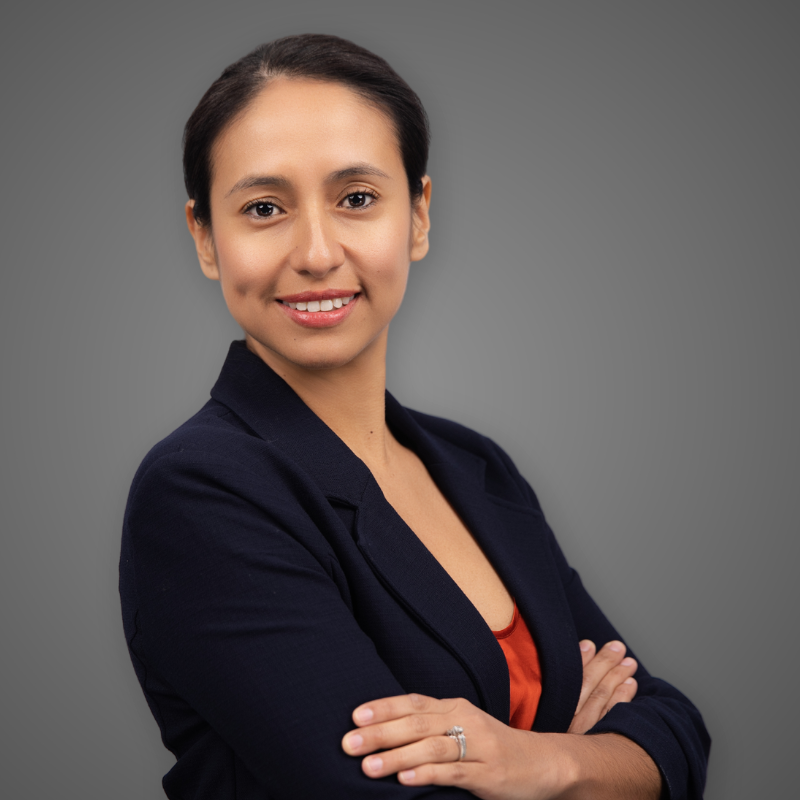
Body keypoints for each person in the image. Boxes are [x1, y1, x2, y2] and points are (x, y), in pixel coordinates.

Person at [119, 34, 710, 799]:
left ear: (418, 216)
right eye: (264, 208)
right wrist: (594, 760)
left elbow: (676, 730)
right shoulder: (202, 492)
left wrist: (538, 763)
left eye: (357, 199)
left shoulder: (476, 467)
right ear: (206, 238)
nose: (317, 251)